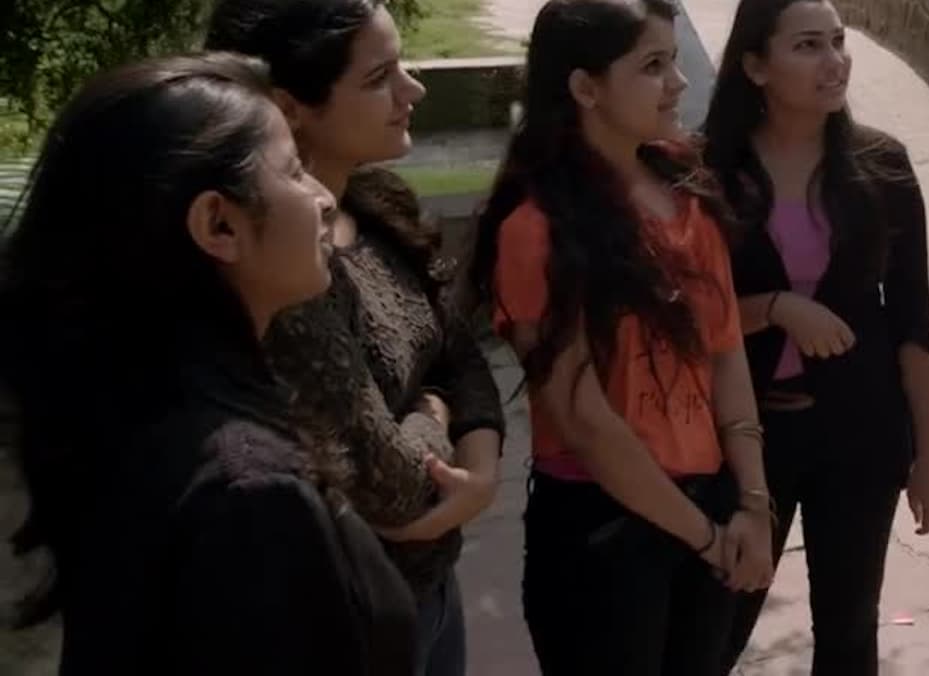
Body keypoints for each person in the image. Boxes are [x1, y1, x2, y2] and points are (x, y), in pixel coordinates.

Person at [0, 52, 416, 675]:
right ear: (219, 224)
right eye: (294, 170)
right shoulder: (248, 499)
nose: (323, 198)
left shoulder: (120, 403)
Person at [467, 1, 775, 674]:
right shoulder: (539, 230)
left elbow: (726, 356)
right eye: (653, 66)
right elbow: (585, 420)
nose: (678, 83)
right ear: (586, 87)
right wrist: (705, 538)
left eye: (674, 61)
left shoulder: (687, 194)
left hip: (711, 503)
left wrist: (754, 504)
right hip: (603, 529)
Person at [204, 2, 507, 674]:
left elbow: (461, 353)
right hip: (354, 619)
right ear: (290, 108)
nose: (413, 89)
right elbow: (393, 489)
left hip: (435, 588)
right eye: (378, 78)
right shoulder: (285, 274)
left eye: (403, 66)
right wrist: (436, 408)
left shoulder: (379, 203)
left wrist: (482, 472)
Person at [701, 0, 929, 672]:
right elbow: (687, 317)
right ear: (756, 65)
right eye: (808, 46)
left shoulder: (881, 165)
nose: (834, 61)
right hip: (743, 437)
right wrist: (775, 308)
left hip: (860, 432)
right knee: (714, 629)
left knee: (848, 630)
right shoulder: (706, 173)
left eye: (838, 42)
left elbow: (913, 319)